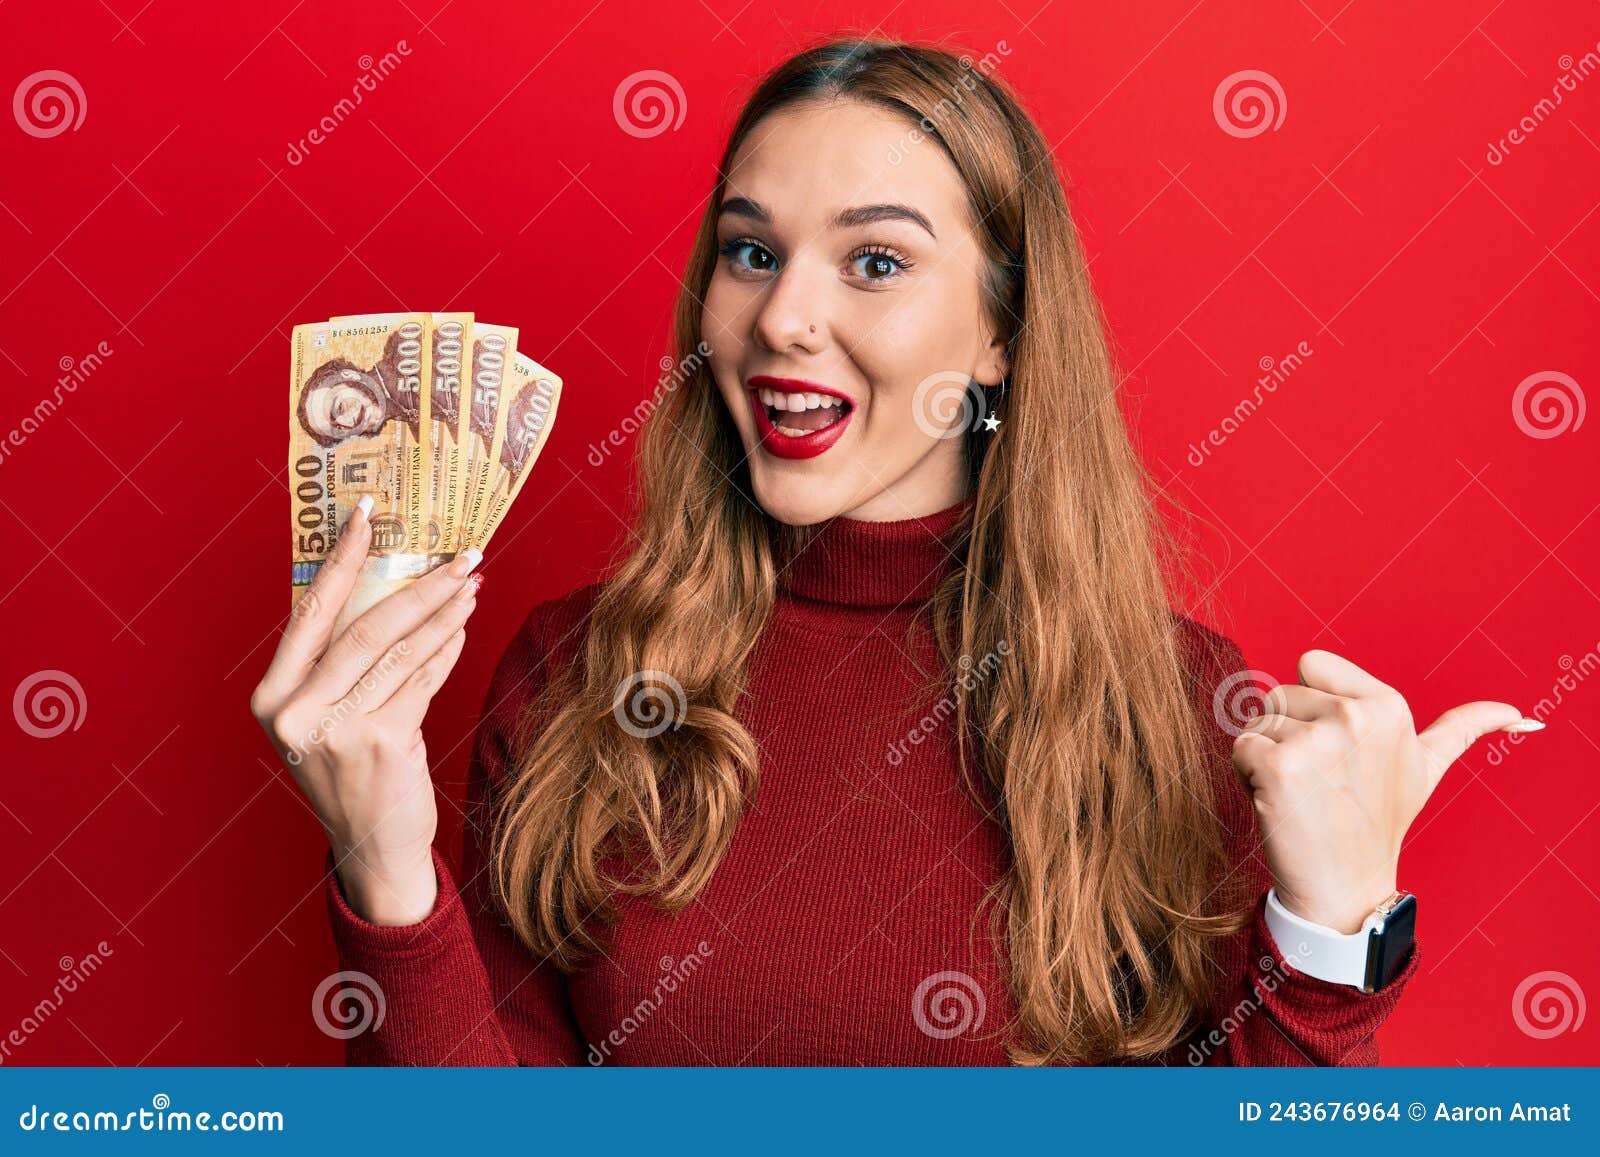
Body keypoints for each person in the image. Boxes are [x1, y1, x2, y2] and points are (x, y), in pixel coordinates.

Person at [250, 35, 1541, 1066]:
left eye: (873, 259)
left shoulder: (1179, 707)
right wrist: (387, 872)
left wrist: (1336, 927)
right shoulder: (575, 677)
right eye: (751, 251)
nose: (783, 315)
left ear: (1000, 333)